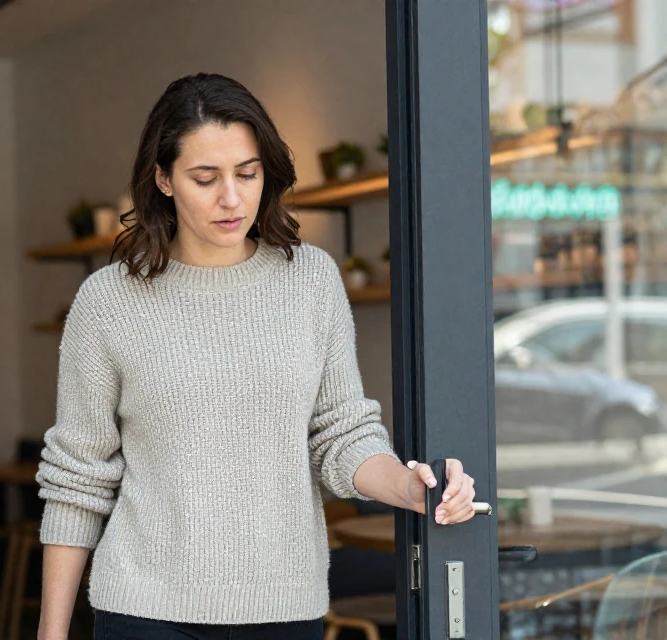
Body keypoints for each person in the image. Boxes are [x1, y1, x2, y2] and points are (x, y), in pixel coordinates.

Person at [34, 73, 478, 640]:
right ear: (163, 180)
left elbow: (340, 432)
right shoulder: (108, 302)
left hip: (284, 608)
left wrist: (411, 488)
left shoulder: (311, 281)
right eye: (204, 178)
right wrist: (51, 633)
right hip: (145, 608)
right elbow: (78, 476)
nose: (231, 198)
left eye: (248, 174)